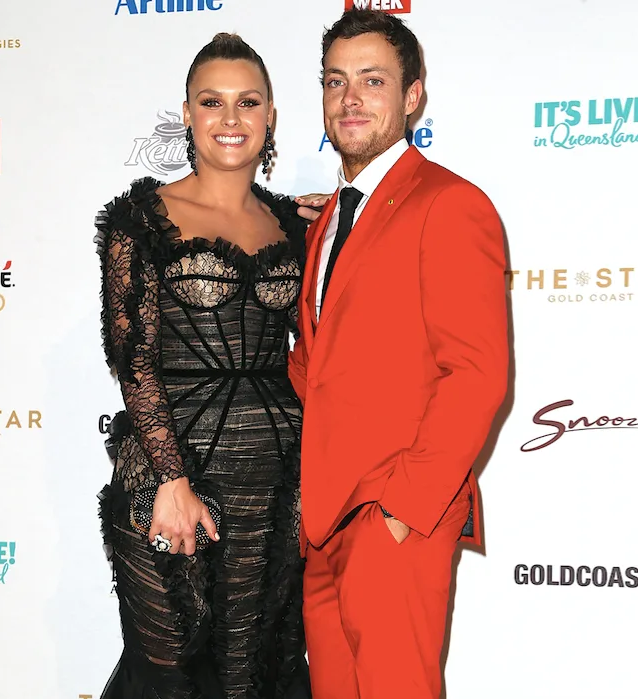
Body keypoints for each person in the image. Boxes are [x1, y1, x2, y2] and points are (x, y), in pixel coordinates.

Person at [289, 9, 509, 699]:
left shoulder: (450, 203)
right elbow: (319, 368)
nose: (350, 98)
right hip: (323, 525)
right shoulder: (326, 220)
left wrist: (401, 510)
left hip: (394, 519)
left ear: (413, 95)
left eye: (372, 80)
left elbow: (476, 373)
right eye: (335, 81)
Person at [96, 33, 313, 699]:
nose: (230, 118)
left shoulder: (294, 225)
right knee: (170, 673)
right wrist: (171, 478)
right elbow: (133, 359)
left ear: (270, 115)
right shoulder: (143, 219)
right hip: (173, 467)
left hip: (276, 478)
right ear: (187, 113)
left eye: (247, 101)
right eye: (211, 101)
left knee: (255, 671)